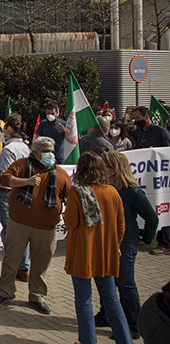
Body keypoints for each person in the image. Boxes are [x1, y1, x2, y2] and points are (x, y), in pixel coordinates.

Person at [0, 136, 72, 314]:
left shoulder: (60, 173)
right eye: (45, 151)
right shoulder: (22, 165)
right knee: (11, 259)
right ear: (35, 152)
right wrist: (27, 182)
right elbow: (5, 180)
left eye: (51, 152)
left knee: (41, 263)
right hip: (19, 223)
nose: (50, 155)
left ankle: (36, 296)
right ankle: (5, 292)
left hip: (47, 228)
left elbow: (69, 197)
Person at [64, 151, 131, 344]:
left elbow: (71, 221)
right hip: (106, 252)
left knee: (84, 300)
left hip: (83, 252)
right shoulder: (112, 191)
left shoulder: (76, 191)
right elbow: (121, 225)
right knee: (111, 299)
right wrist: (115, 245)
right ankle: (125, 340)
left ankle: (88, 340)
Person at [91, 151, 159, 339]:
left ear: (114, 169)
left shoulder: (132, 191)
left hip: (125, 243)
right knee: (106, 281)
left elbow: (152, 218)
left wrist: (146, 238)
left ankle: (133, 324)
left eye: (105, 166)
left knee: (125, 284)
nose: (101, 170)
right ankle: (106, 315)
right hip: (104, 242)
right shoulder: (103, 187)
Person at [0, 115, 31, 289]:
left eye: (4, 128)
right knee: (21, 233)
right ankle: (23, 268)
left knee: (8, 235)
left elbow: (5, 176)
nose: (2, 132)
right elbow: (14, 168)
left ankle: (7, 275)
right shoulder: (25, 147)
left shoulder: (8, 149)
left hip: (6, 194)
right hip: (22, 193)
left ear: (9, 129)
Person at [129, 106, 170, 256]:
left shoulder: (161, 133)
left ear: (146, 116)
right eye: (134, 118)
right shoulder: (139, 133)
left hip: (161, 179)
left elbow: (167, 154)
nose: (135, 121)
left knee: (162, 208)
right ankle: (146, 236)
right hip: (147, 177)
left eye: (138, 118)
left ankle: (165, 243)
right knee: (149, 207)